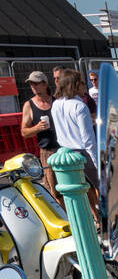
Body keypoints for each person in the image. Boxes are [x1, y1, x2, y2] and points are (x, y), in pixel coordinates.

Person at [50, 68, 99, 216]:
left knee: (80, 194)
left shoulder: (56, 104)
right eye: (82, 83)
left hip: (66, 155)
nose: (84, 86)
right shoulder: (79, 106)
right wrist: (98, 163)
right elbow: (88, 139)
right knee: (104, 189)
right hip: (84, 153)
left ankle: (95, 218)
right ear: (75, 85)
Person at [20, 71, 59, 199]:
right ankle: (66, 218)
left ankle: (93, 216)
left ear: (45, 84)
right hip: (47, 152)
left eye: (36, 83)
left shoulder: (57, 101)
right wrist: (37, 128)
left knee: (74, 184)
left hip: (64, 149)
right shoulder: (28, 105)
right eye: (31, 84)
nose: (33, 87)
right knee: (54, 191)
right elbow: (24, 132)